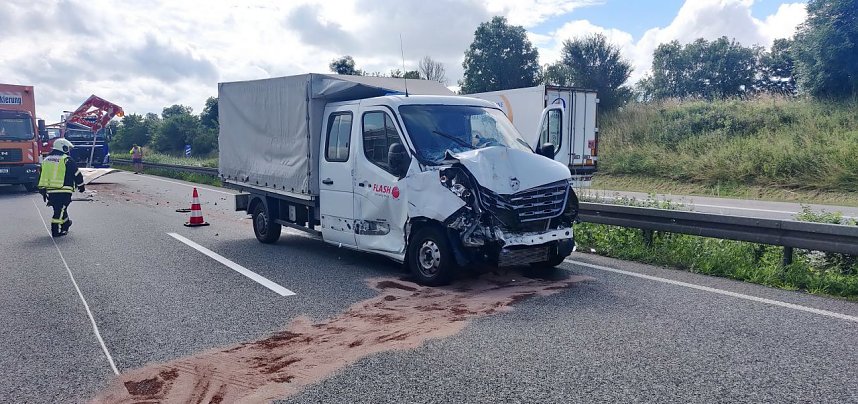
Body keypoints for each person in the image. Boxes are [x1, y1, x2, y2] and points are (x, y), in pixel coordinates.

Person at [38, 138, 85, 237]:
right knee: (60, 210)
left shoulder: (46, 160)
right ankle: (55, 229)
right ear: (63, 147)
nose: (68, 150)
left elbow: (42, 174)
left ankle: (66, 224)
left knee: (59, 208)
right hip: (64, 189)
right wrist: (81, 186)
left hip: (50, 190)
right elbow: (77, 174)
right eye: (67, 148)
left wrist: (42, 188)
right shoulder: (66, 159)